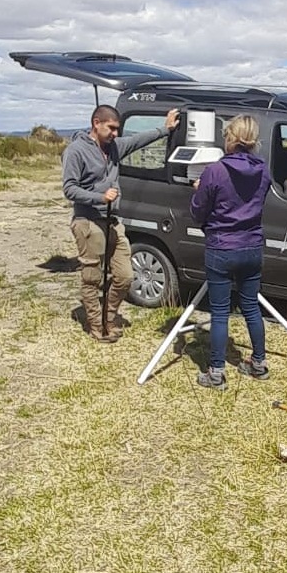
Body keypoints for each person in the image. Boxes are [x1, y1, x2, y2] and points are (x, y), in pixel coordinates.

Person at [62, 104, 181, 342]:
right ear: (97, 123)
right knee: (92, 277)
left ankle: (109, 314)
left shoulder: (115, 147)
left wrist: (165, 129)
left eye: (118, 129)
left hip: (112, 221)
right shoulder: (76, 151)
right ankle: (97, 324)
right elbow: (69, 188)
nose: (116, 134)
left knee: (125, 276)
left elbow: (138, 141)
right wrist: (99, 197)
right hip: (88, 221)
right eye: (112, 128)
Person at [190, 114, 272, 389]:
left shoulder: (214, 171)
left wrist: (198, 191)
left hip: (222, 246)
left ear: (230, 138)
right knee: (251, 306)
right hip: (251, 245)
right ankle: (258, 363)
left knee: (220, 312)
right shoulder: (264, 169)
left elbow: (197, 210)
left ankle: (216, 372)